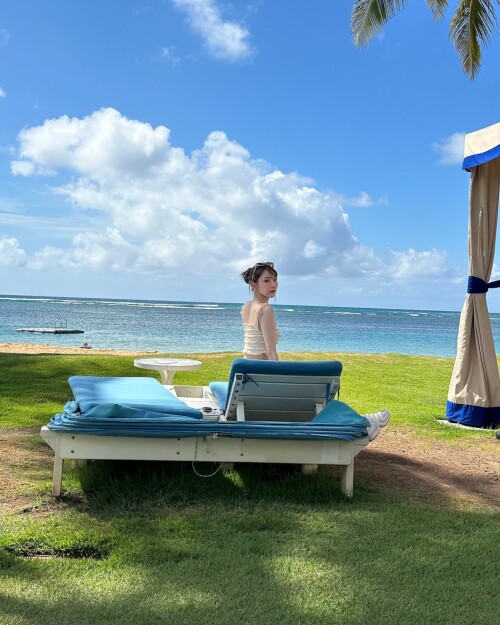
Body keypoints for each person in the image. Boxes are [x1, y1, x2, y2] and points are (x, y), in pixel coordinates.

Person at [240, 261, 280, 360]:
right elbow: (270, 352)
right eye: (267, 281)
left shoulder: (246, 306)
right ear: (254, 285)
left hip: (247, 367)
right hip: (261, 371)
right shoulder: (266, 310)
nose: (273, 285)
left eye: (275, 280)